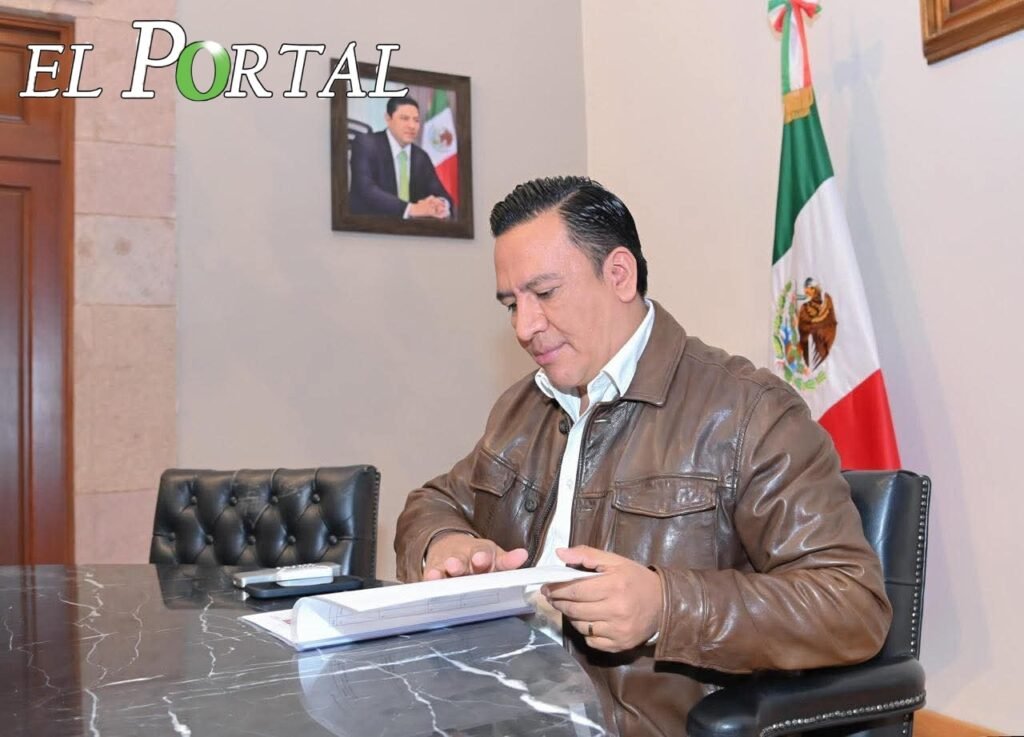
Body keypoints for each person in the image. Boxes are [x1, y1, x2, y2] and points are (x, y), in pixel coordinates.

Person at [394, 176, 891, 736]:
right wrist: (448, 544)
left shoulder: (749, 412)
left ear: (619, 275)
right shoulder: (523, 407)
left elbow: (852, 606)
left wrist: (666, 607)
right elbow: (432, 502)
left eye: (545, 294)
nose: (524, 327)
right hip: (498, 706)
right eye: (512, 304)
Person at [348, 95, 452, 219]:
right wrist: (411, 209)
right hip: (369, 225)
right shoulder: (366, 144)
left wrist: (441, 204)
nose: (412, 126)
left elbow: (441, 193)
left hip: (411, 230)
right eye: (404, 118)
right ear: (388, 119)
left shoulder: (421, 156)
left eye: (416, 120)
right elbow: (365, 189)